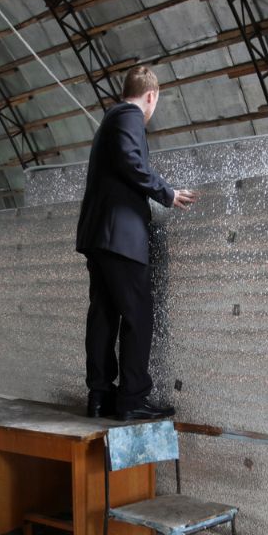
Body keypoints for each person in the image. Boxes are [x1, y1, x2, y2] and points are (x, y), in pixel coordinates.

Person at [75, 66, 197, 421]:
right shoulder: (129, 116)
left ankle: (99, 396)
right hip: (121, 238)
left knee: (104, 316)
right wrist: (167, 193)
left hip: (99, 237)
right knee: (138, 316)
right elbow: (132, 161)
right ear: (151, 96)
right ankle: (132, 399)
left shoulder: (109, 120)